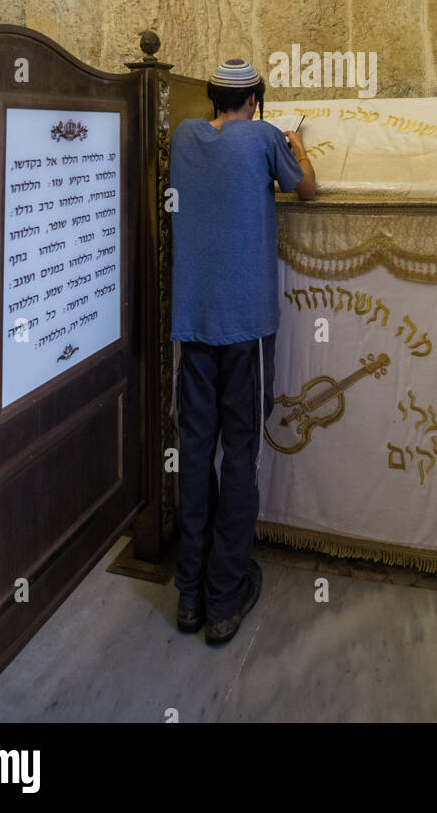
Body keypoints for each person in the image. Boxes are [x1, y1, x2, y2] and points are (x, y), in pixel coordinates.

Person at [169, 58, 316, 645]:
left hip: (192, 322)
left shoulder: (184, 135)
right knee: (242, 454)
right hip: (248, 326)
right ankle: (224, 599)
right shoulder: (264, 137)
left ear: (211, 98)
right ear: (255, 98)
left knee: (195, 448)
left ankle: (188, 595)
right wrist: (298, 144)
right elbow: (307, 190)